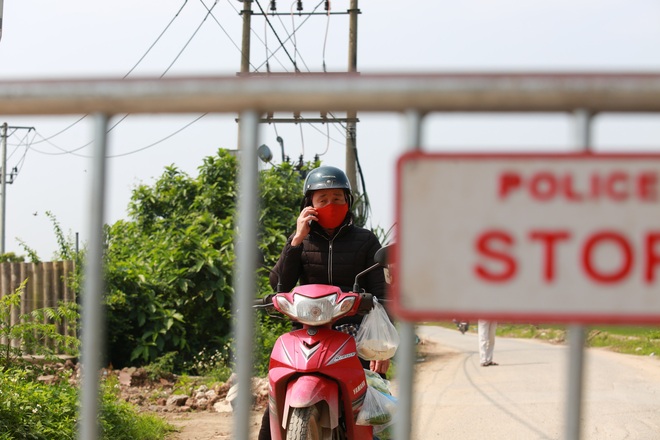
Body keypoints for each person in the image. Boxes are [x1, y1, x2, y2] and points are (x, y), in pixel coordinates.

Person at [258, 165, 388, 440]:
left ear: (348, 202)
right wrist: (297, 238)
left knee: (374, 406)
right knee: (273, 401)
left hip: (352, 331)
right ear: (310, 205)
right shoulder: (301, 241)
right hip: (306, 330)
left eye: (337, 198)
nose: (331, 204)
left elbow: (381, 292)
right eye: (323, 199)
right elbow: (278, 283)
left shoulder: (365, 240)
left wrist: (382, 349)